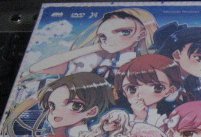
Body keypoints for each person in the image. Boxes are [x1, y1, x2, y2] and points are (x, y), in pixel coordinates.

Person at [29, 8, 158, 82]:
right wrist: (98, 46)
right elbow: (37, 68)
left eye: (124, 32)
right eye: (103, 35)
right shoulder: (92, 61)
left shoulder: (154, 61)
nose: (111, 39)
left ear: (141, 34)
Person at [3, 72, 115, 137]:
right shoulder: (63, 131)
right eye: (52, 105)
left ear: (91, 111)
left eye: (75, 105)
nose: (56, 113)